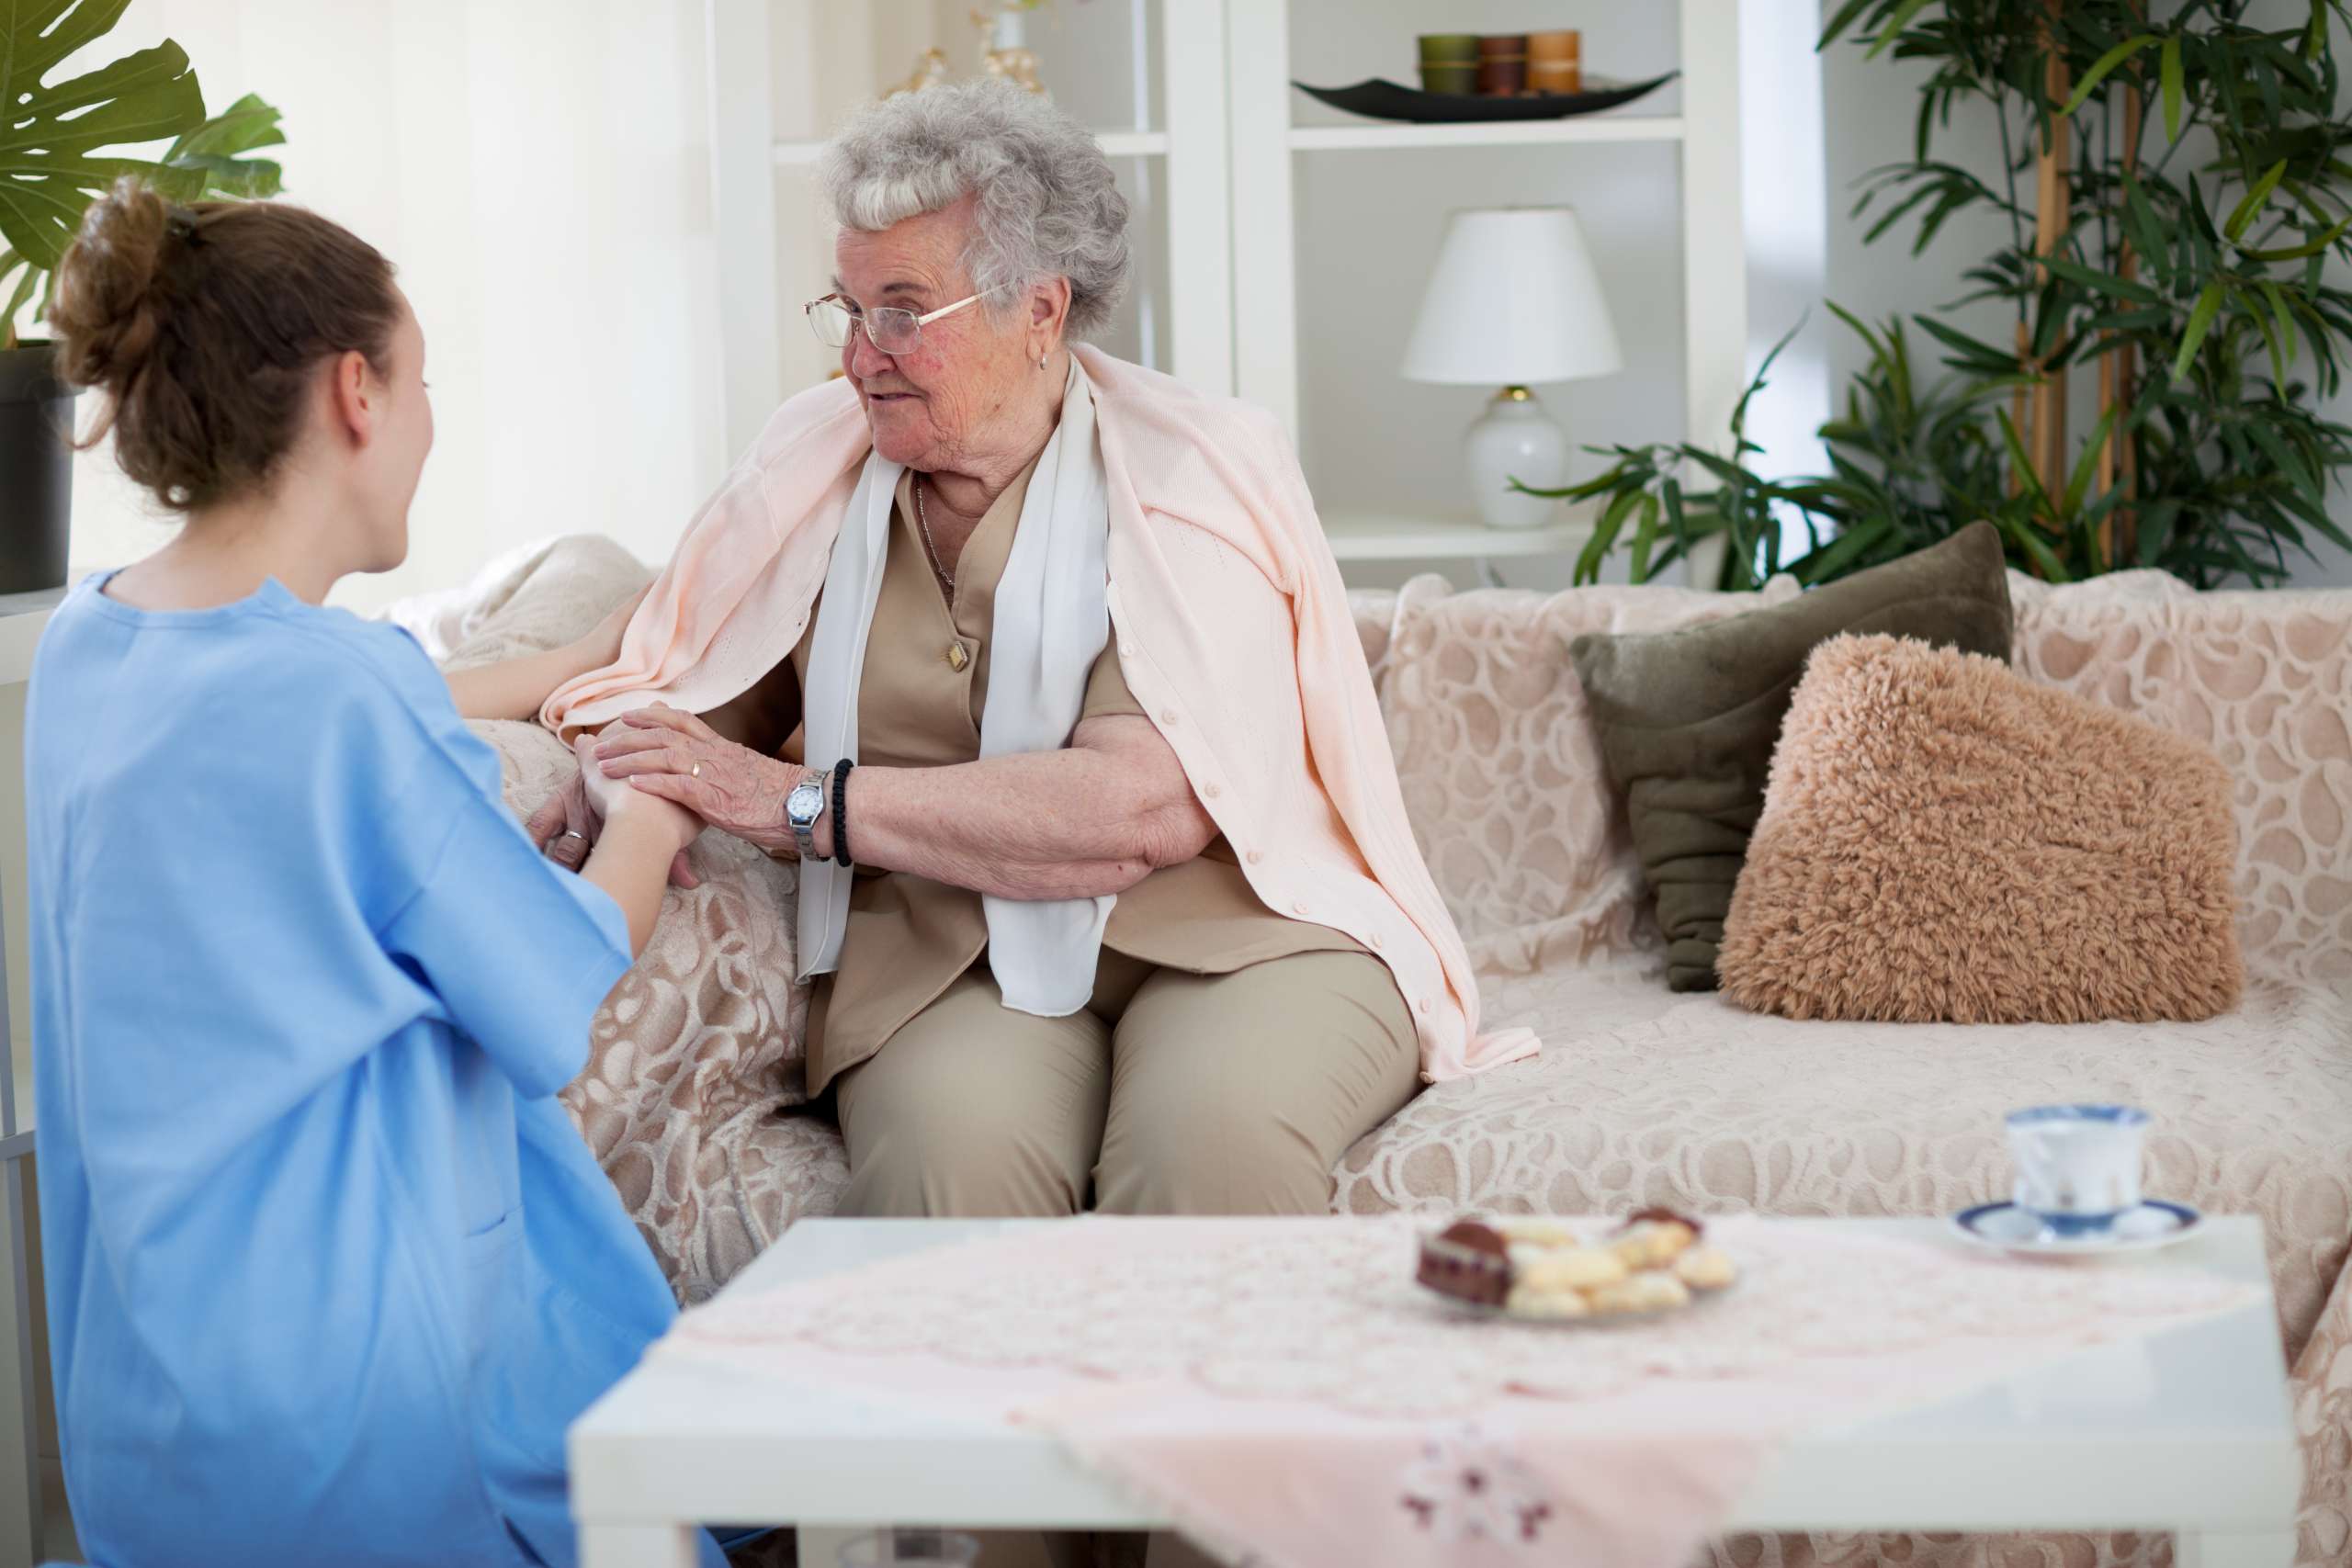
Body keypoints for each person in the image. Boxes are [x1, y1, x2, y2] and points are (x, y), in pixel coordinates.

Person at [520, 80, 1538, 1222]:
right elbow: (693, 664)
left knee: (1207, 1152)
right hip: (945, 953)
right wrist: (625, 774)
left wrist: (799, 805)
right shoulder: (819, 460)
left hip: (1245, 932)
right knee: (949, 1178)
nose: (860, 358)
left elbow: (1133, 812)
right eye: (847, 309)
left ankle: (1221, 1406)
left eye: (903, 310)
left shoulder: (1191, 478)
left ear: (1040, 311)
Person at [26, 181, 723, 1568]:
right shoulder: (348, 702)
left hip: (144, 1427)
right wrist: (645, 810)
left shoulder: (83, 644)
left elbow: (281, 845)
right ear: (356, 392)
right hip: (361, 1431)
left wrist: (546, 700)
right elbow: (551, 995)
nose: (425, 420)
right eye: (421, 381)